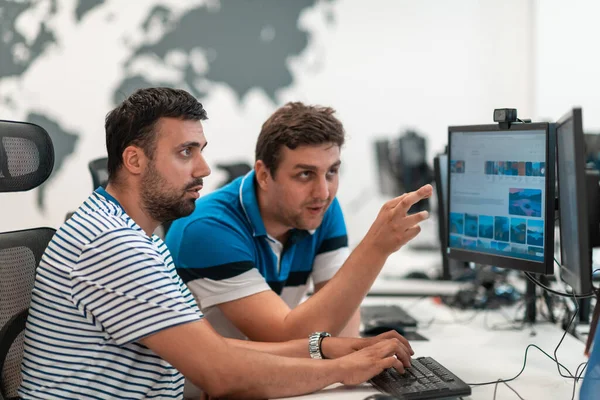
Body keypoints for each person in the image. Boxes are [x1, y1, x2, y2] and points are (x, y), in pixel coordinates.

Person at [18, 88, 413, 400]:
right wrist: (342, 370)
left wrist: (325, 349)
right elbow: (222, 374)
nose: (204, 169)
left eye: (200, 151)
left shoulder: (132, 235)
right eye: (185, 152)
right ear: (135, 160)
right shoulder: (114, 245)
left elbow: (216, 349)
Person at [165, 102, 432, 342]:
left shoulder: (320, 208)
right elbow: (285, 336)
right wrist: (376, 248)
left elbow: (342, 331)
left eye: (332, 172)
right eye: (305, 174)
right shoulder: (205, 228)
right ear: (264, 175)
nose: (323, 192)